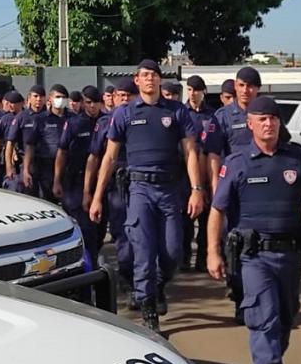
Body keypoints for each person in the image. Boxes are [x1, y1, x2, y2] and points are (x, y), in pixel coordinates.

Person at [207, 96, 301, 364]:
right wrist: (212, 251)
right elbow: (217, 211)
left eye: (274, 118)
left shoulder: (296, 158)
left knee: (287, 316)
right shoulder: (237, 163)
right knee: (265, 315)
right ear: (250, 124)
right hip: (254, 257)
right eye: (262, 119)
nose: (269, 124)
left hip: (290, 254)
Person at [90, 60, 204, 334]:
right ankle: (149, 308)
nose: (150, 79)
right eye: (145, 75)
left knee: (173, 252)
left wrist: (197, 190)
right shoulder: (124, 114)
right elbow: (109, 157)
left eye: (154, 75)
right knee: (143, 251)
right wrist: (96, 197)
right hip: (138, 190)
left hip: (169, 190)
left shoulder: (176, 111)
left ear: (159, 80)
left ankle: (158, 285)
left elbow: (190, 153)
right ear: (137, 81)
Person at [203, 67, 264, 321]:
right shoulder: (223, 116)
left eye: (251, 86)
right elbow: (214, 153)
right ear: (235, 87)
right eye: (241, 85)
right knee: (236, 245)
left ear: (258, 88)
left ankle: (262, 298)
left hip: (262, 190)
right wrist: (216, 186)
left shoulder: (266, 113)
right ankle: (240, 297)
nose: (246, 90)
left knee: (262, 246)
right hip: (234, 191)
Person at [84, 78, 137, 308]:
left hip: (142, 185)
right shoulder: (105, 124)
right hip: (116, 188)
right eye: (121, 95)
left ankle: (146, 280)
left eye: (129, 96)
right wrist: (91, 192)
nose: (124, 100)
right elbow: (95, 158)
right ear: (113, 98)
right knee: (123, 236)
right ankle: (129, 279)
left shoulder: (145, 119)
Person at [55, 86, 103, 270]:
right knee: (85, 229)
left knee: (99, 230)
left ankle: (95, 262)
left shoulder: (106, 121)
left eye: (95, 102)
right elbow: (62, 152)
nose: (92, 106)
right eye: (89, 103)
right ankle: (88, 270)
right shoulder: (74, 123)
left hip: (100, 183)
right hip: (75, 182)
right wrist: (57, 180)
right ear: (83, 103)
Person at [180, 75, 214, 272]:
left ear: (203, 92)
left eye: (197, 90)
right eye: (190, 90)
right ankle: (184, 259)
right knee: (185, 222)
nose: (193, 94)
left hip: (207, 175)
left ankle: (202, 260)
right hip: (186, 176)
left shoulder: (212, 116)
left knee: (206, 222)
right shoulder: (182, 113)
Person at [24, 84, 70, 203]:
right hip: (46, 167)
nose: (61, 100)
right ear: (50, 99)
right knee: (48, 202)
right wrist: (26, 169)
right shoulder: (41, 120)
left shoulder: (73, 119)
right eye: (58, 97)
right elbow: (30, 145)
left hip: (69, 167)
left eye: (63, 98)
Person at [4, 85, 46, 192]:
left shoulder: (49, 117)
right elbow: (10, 143)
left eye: (41, 97)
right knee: (28, 193)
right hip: (26, 162)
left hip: (46, 162)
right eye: (35, 96)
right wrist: (9, 167)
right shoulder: (21, 117)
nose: (38, 99)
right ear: (29, 98)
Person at [0, 91, 23, 189]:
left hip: (21, 155)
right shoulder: (5, 119)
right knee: (1, 182)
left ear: (21, 103)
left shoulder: (26, 117)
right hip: (6, 154)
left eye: (14, 103)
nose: (11, 105)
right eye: (9, 103)